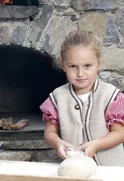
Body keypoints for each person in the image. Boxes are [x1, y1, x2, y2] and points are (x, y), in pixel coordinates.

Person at [40, 30, 124, 166]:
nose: (80, 73)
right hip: (75, 169)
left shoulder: (111, 96)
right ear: (63, 66)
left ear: (99, 64)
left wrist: (96, 145)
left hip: (111, 169)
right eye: (73, 66)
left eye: (87, 66)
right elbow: (50, 133)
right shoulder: (57, 97)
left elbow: (120, 133)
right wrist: (57, 143)